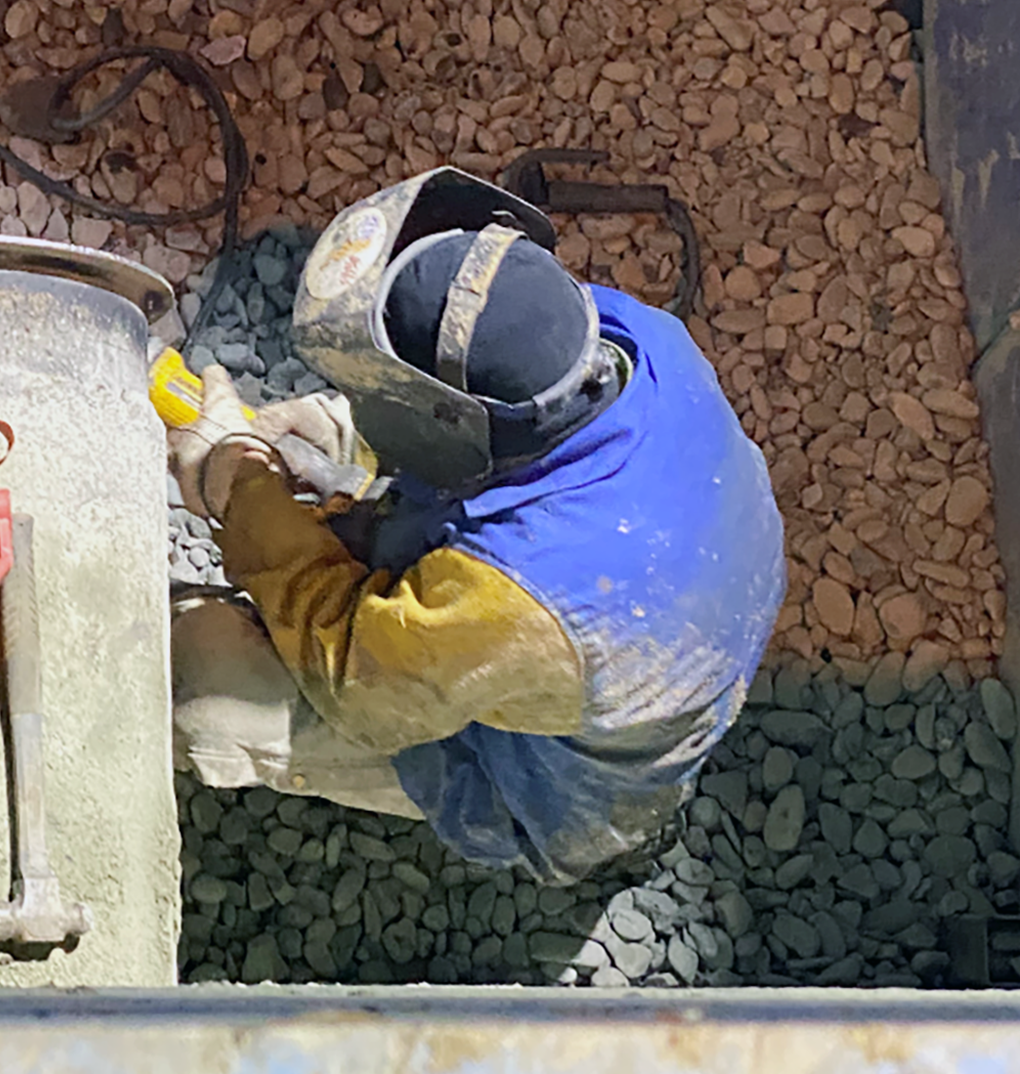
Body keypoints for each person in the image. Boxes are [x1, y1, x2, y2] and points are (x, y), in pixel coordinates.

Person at [167, 167, 786, 884]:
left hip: (560, 786)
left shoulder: (524, 597)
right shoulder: (631, 334)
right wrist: (349, 428)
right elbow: (506, 416)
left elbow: (359, 686)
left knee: (202, 681)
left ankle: (600, 853)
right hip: (658, 595)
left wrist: (239, 487)